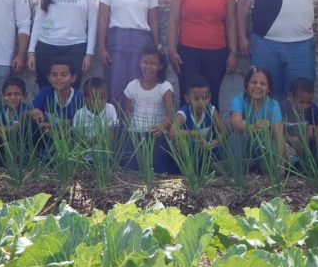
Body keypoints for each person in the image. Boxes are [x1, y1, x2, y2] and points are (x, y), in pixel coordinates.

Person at [167, 0, 238, 108]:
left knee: (211, 98)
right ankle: (183, 133)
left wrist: (233, 52)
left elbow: (231, 22)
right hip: (187, 52)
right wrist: (171, 49)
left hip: (217, 53)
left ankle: (213, 134)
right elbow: (173, 21)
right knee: (187, 97)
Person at [27, 0, 98, 89]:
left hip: (76, 47)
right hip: (46, 46)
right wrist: (31, 52)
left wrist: (89, 53)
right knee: (46, 90)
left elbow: (93, 22)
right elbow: (38, 21)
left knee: (71, 91)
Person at [97, 0, 161, 106]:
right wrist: (101, 47)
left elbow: (153, 21)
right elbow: (103, 19)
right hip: (116, 40)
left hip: (140, 41)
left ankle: (132, 128)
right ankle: (112, 127)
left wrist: (157, 46)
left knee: (135, 85)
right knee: (114, 84)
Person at [122, 46, 176, 174]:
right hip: (134, 134)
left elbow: (171, 116)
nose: (148, 67)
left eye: (153, 63)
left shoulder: (165, 87)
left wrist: (161, 126)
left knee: (159, 170)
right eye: (145, 62)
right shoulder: (132, 85)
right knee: (128, 170)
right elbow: (126, 114)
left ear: (160, 66)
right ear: (140, 64)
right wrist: (125, 133)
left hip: (155, 134)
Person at [229, 67, 287, 167]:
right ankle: (237, 168)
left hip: (264, 145)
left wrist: (280, 165)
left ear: (268, 89)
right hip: (244, 145)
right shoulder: (239, 99)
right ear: (246, 85)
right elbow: (235, 125)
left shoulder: (273, 105)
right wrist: (252, 128)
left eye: (263, 84)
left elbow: (278, 135)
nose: (258, 86)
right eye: (253, 82)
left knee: (284, 152)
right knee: (236, 137)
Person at [171, 75, 228, 150]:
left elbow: (224, 131)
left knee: (226, 146)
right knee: (178, 143)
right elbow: (171, 133)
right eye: (196, 99)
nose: (201, 102)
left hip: (204, 146)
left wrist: (211, 144)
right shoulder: (183, 113)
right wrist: (194, 133)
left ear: (210, 97)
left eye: (204, 98)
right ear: (187, 99)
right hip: (188, 149)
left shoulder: (211, 110)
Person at [31, 57, 84, 128]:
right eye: (54, 75)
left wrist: (54, 129)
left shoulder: (80, 99)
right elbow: (26, 113)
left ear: (73, 78)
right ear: (49, 78)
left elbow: (79, 129)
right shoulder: (45, 93)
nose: (59, 78)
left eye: (64, 75)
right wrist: (34, 112)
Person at [73, 77, 120, 150]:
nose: (99, 102)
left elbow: (111, 134)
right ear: (85, 99)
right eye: (94, 99)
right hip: (87, 157)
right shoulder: (79, 114)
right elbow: (78, 141)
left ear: (107, 96)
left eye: (103, 98)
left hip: (107, 156)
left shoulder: (110, 108)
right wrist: (96, 138)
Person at [279, 77, 318, 148]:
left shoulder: (313, 109)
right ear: (290, 96)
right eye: (301, 102)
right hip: (286, 146)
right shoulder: (281, 108)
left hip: (306, 147)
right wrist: (292, 139)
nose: (305, 106)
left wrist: (313, 127)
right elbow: (273, 134)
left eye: (309, 102)